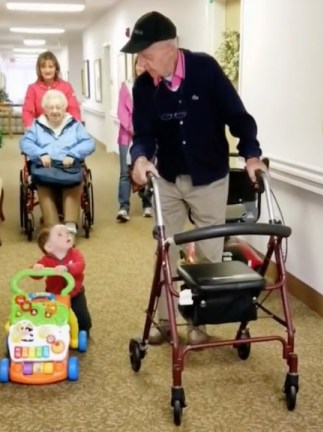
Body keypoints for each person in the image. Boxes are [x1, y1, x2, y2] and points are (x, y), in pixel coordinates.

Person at [122, 11, 268, 345]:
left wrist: (251, 155)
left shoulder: (205, 70)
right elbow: (143, 133)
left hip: (210, 177)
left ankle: (198, 323)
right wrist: (140, 158)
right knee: (166, 252)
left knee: (208, 256)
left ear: (170, 47)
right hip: (169, 180)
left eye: (146, 52)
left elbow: (239, 118)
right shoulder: (144, 86)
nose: (141, 60)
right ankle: (164, 320)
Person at [19, 89, 95, 235]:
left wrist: (73, 154)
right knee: (43, 183)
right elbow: (25, 143)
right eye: (51, 107)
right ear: (45, 109)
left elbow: (89, 143)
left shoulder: (74, 125)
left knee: (73, 181)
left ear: (64, 108)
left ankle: (70, 225)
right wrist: (41, 153)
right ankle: (52, 226)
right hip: (45, 167)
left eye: (58, 107)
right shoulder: (37, 125)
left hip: (68, 166)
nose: (55, 111)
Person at [32, 224, 91, 340]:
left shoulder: (75, 253)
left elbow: (80, 265)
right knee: (52, 316)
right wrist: (36, 268)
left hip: (75, 294)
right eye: (60, 235)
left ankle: (84, 331)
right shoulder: (46, 260)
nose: (67, 235)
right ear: (49, 246)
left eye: (67, 233)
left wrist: (67, 268)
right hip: (54, 296)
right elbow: (36, 275)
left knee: (82, 316)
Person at [115, 55, 152, 222]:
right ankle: (123, 207)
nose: (141, 67)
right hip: (126, 137)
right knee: (125, 173)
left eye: (145, 64)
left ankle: (147, 204)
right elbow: (122, 111)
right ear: (135, 65)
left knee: (147, 170)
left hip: (147, 136)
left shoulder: (155, 85)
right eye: (139, 63)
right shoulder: (126, 86)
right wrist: (133, 127)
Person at [22, 51, 82, 129]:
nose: (47, 70)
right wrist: (29, 127)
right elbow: (27, 111)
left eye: (50, 66)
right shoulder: (32, 88)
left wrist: (76, 126)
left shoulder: (66, 86)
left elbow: (73, 109)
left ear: (56, 68)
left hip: (64, 129)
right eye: (43, 67)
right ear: (39, 69)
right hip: (42, 129)